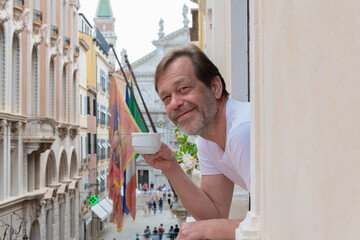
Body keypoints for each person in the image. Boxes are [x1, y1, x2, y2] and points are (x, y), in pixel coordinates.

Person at [143, 44, 250, 239]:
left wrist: (206, 230)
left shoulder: (242, 131)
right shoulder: (208, 140)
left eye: (183, 88)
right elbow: (214, 214)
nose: (175, 103)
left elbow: (276, 221)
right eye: (166, 97)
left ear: (215, 87)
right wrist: (171, 167)